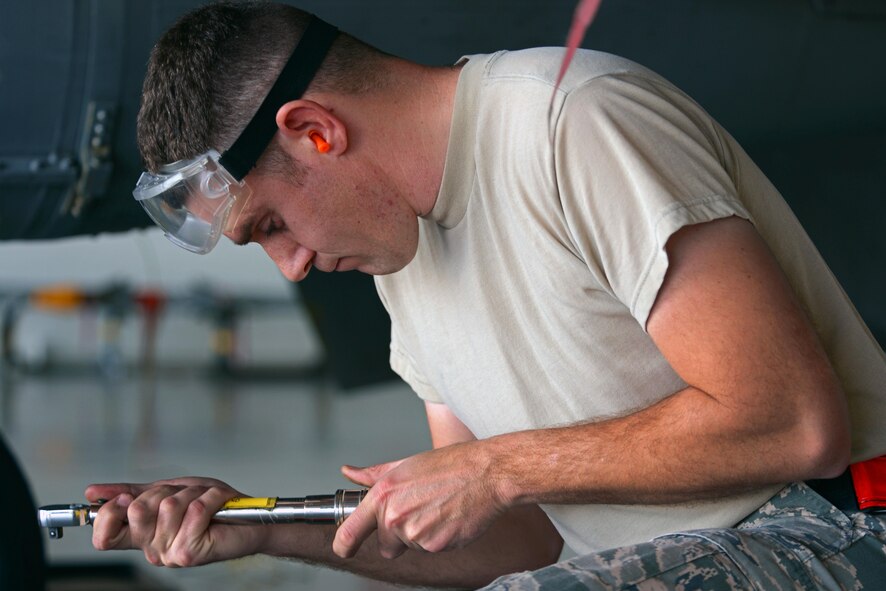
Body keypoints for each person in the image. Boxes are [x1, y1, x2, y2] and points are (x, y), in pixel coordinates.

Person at [90, 1, 886, 588]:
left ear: (315, 132)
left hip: (835, 523)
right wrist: (259, 524)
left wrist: (497, 466)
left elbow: (794, 422)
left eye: (269, 225)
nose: (290, 265)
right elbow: (521, 537)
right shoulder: (398, 259)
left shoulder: (572, 123)